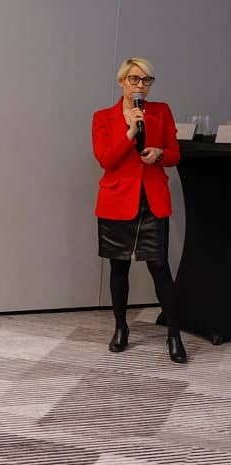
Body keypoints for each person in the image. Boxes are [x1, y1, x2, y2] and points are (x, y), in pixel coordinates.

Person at [92, 57, 186, 363]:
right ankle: (121, 328)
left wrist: (159, 154)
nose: (140, 85)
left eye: (146, 80)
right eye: (134, 79)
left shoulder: (161, 111)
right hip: (117, 201)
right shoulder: (103, 117)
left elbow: (175, 154)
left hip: (152, 199)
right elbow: (106, 160)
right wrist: (130, 132)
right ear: (122, 81)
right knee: (119, 267)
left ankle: (174, 335)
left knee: (159, 266)